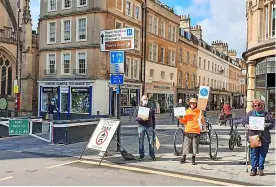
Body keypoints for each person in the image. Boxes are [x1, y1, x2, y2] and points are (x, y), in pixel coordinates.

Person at [242, 99, 275, 176]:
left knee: (262, 154)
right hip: (254, 136)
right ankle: (253, 169)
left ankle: (260, 169)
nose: (257, 107)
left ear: (262, 105)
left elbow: (273, 124)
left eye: (259, 105)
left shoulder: (266, 114)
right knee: (254, 154)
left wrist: (266, 125)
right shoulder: (250, 114)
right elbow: (244, 121)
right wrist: (247, 125)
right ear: (253, 106)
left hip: (264, 137)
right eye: (255, 105)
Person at [178, 98, 204, 165]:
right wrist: (180, 118)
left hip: (196, 131)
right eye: (191, 103)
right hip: (188, 130)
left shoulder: (199, 111)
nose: (192, 104)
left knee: (194, 146)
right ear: (189, 104)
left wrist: (201, 119)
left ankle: (193, 158)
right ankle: (184, 157)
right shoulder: (186, 111)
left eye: (194, 103)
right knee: (186, 145)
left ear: (196, 104)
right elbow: (184, 121)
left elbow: (202, 122)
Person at [135, 95, 156, 161]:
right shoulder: (138, 108)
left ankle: (152, 155)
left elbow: (153, 118)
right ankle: (141, 155)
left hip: (149, 126)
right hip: (141, 126)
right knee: (141, 142)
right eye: (144, 99)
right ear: (141, 100)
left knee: (151, 142)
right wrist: (140, 118)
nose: (145, 100)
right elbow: (135, 117)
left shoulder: (151, 108)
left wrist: (153, 127)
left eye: (146, 99)